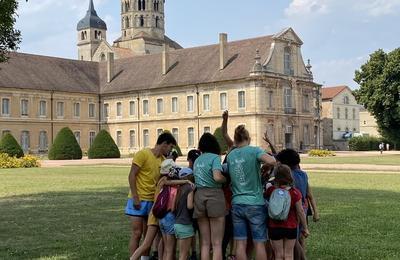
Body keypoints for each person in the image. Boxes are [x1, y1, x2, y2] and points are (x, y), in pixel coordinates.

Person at [226, 125, 276, 260]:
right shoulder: (254, 151)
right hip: (255, 202)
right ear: (248, 138)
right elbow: (272, 160)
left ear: (235, 140)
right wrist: (265, 165)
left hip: (237, 203)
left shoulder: (231, 155)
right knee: (259, 242)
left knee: (240, 243)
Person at [130, 159, 194, 260]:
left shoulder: (162, 181)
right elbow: (169, 183)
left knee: (162, 245)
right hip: (162, 215)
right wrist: (186, 180)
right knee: (152, 245)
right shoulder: (166, 181)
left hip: (157, 214)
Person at [125, 132, 176, 257]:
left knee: (147, 236)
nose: (171, 150)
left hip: (152, 201)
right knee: (137, 233)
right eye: (170, 147)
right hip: (138, 199)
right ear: (164, 144)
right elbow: (132, 175)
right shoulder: (143, 154)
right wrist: (136, 197)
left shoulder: (164, 161)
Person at [276, 149, 319, 251]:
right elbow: (309, 194)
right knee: (300, 238)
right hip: (303, 209)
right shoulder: (303, 174)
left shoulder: (287, 176)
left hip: (292, 212)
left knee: (293, 240)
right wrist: (315, 212)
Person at [193, 133, 226, 260]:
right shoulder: (215, 158)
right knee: (217, 243)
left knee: (205, 243)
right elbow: (217, 177)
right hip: (214, 196)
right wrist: (226, 179)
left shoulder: (197, 160)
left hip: (199, 196)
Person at [266, 164, 310, 260]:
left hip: (274, 227)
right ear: (290, 176)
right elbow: (300, 211)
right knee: (289, 254)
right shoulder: (295, 192)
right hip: (291, 227)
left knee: (278, 254)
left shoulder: (271, 190)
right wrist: (305, 228)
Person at [174, 168, 196, 260]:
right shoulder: (189, 188)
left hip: (177, 224)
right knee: (183, 255)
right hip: (185, 224)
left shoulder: (179, 188)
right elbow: (190, 206)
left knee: (182, 254)